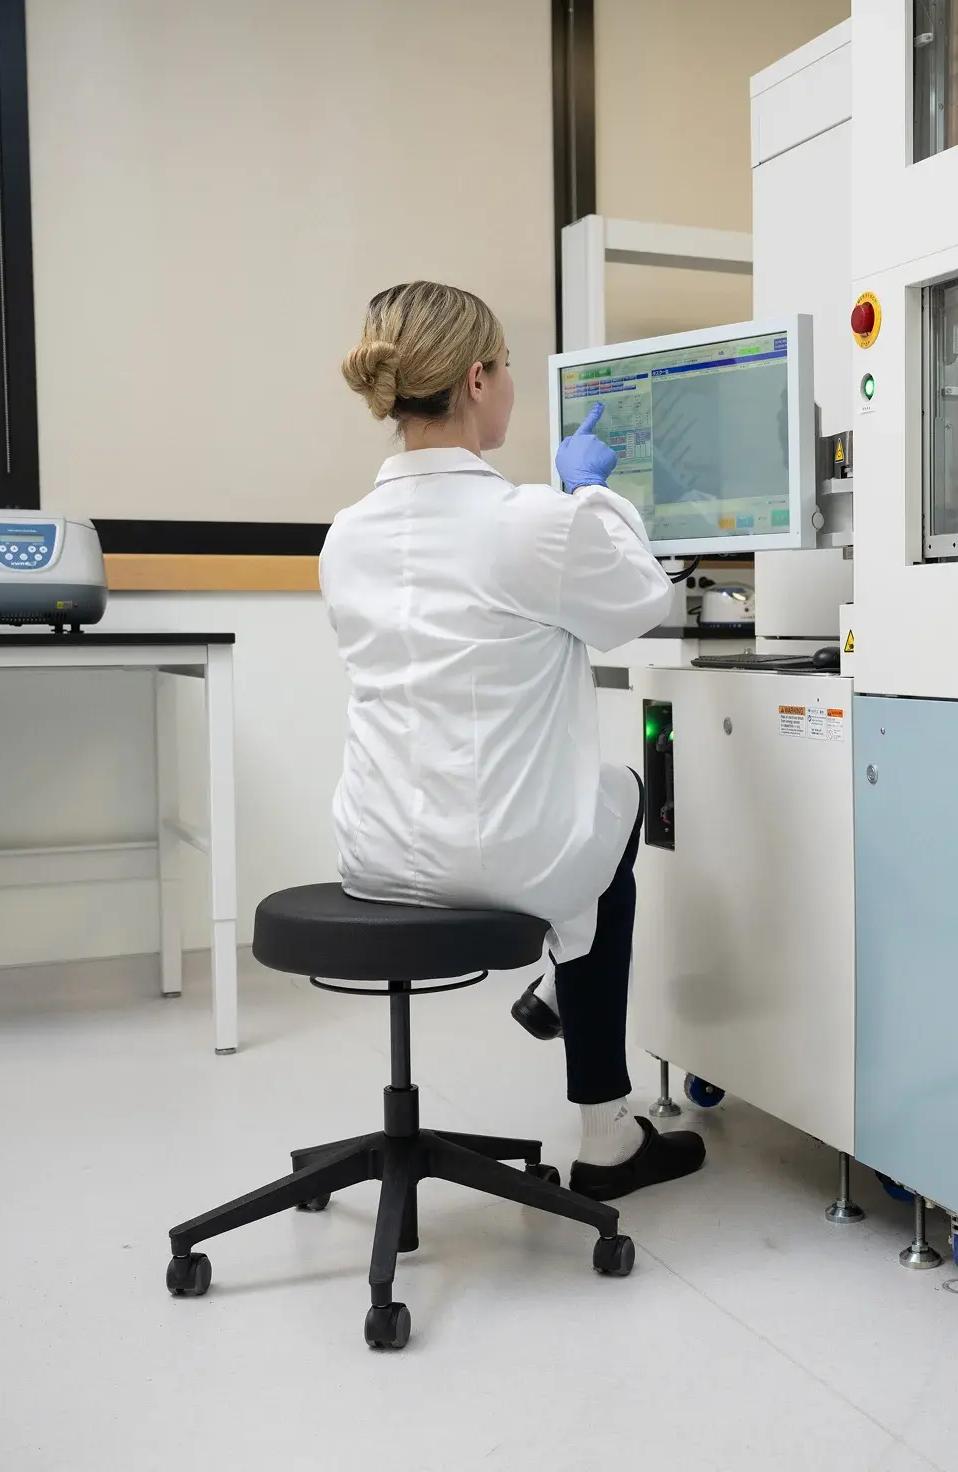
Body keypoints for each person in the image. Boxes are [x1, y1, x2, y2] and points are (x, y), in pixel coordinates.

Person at [319, 280, 706, 1201]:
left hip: (372, 850)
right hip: (501, 861)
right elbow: (641, 603)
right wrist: (590, 493)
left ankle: (561, 983)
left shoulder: (346, 534)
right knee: (618, 798)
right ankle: (606, 1132)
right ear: (477, 379)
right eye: (506, 368)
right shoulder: (531, 520)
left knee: (594, 826)